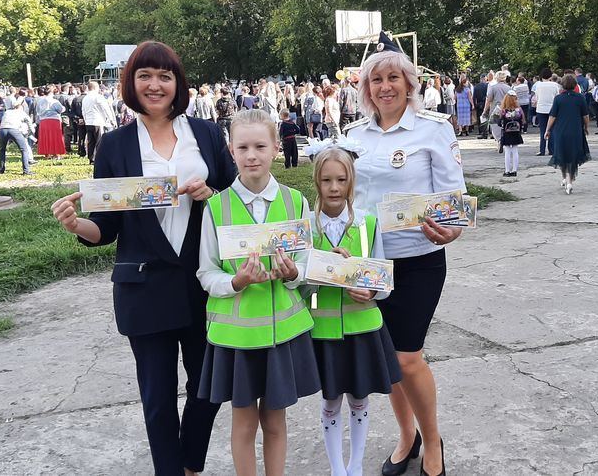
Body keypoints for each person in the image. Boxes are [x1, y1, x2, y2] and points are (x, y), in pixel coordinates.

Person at [51, 41, 235, 475]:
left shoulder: (206, 135)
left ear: (178, 83)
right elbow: (105, 227)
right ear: (131, 83)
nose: (155, 85)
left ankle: (189, 463)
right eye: (145, 76)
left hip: (202, 284)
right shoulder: (114, 145)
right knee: (157, 398)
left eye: (164, 76)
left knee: (209, 387)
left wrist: (211, 194)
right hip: (145, 287)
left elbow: (235, 200)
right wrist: (77, 225)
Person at [346, 32, 464, 476]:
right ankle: (406, 436)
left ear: (409, 83)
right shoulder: (352, 135)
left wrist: (450, 230)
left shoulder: (434, 129)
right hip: (370, 262)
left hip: (419, 259)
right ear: (366, 88)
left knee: (407, 357)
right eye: (376, 80)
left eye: (393, 77)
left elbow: (454, 200)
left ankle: (432, 443)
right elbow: (344, 197)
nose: (385, 87)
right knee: (386, 359)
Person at [197, 109, 320, 476]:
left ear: (276, 148)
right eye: (243, 147)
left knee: (276, 421)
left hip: (283, 335)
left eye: (260, 146)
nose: (252, 155)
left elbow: (308, 265)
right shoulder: (216, 207)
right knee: (244, 423)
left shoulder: (295, 201)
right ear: (231, 151)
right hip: (237, 339)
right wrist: (235, 282)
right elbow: (206, 272)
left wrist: (294, 272)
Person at [300, 142, 401, 476]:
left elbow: (383, 281)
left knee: (359, 400)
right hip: (324, 331)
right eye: (326, 180)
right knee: (330, 402)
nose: (334, 187)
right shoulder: (306, 228)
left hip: (363, 328)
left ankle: (355, 466)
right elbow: (299, 286)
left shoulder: (368, 223)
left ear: (351, 182)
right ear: (316, 181)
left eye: (341, 180)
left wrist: (371, 290)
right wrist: (321, 271)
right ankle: (337, 469)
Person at [545, 74, 591, 194]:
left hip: (560, 130)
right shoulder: (580, 98)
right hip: (575, 130)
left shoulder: (558, 98)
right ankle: (570, 181)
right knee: (573, 155)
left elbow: (552, 116)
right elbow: (585, 116)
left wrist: (547, 130)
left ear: (563, 85)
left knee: (561, 154)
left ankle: (564, 177)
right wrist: (586, 127)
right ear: (575, 84)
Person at [0, 94, 34, 175]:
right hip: (14, 130)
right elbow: (30, 124)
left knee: (2, 150)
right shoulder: (22, 113)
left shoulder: (7, 112)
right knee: (24, 150)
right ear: (21, 107)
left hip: (3, 130)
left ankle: (1, 169)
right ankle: (26, 170)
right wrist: (29, 133)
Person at [82, 81, 114, 163]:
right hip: (98, 121)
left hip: (88, 122)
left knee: (91, 141)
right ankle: (99, 158)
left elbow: (83, 111)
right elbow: (105, 108)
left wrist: (85, 120)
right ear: (96, 88)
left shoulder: (85, 98)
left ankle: (91, 158)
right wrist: (111, 119)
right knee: (99, 141)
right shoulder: (98, 97)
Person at [497, 92, 526, 178]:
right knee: (515, 151)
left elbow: (499, 123)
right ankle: (514, 170)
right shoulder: (519, 110)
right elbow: (523, 121)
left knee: (507, 152)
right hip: (516, 132)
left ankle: (507, 170)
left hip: (507, 133)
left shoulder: (503, 111)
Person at [533, 69, 560, 156]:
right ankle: (552, 150)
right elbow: (557, 97)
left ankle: (542, 150)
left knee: (542, 130)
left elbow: (537, 97)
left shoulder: (538, 85)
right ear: (550, 76)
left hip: (541, 108)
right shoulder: (555, 85)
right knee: (552, 129)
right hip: (552, 109)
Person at [35, 86, 66, 159]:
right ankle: (56, 154)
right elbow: (60, 109)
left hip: (43, 120)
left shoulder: (40, 101)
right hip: (54, 120)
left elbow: (38, 111)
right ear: (51, 92)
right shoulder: (54, 101)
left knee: (45, 137)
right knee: (55, 137)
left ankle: (46, 154)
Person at [472, 73, 489, 138]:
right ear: (485, 78)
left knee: (480, 117)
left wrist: (474, 104)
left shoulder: (476, 86)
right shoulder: (488, 86)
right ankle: (487, 130)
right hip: (486, 103)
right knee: (486, 117)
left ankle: (481, 130)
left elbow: (474, 97)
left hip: (479, 104)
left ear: (480, 79)